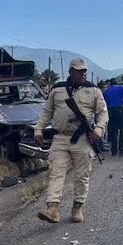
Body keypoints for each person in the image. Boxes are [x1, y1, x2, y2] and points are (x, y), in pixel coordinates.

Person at [34, 58, 108, 224]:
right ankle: (53, 209)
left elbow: (103, 113)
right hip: (60, 137)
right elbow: (47, 112)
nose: (83, 74)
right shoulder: (57, 89)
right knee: (56, 173)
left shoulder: (93, 90)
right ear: (70, 72)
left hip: (82, 139)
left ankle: (77, 207)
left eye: (84, 71)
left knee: (82, 176)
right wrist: (38, 129)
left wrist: (99, 129)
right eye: (79, 70)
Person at [103, 77, 123, 156]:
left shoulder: (106, 91)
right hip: (120, 109)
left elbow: (103, 100)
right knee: (122, 130)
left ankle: (114, 151)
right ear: (117, 82)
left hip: (110, 111)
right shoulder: (120, 88)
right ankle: (122, 150)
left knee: (113, 131)